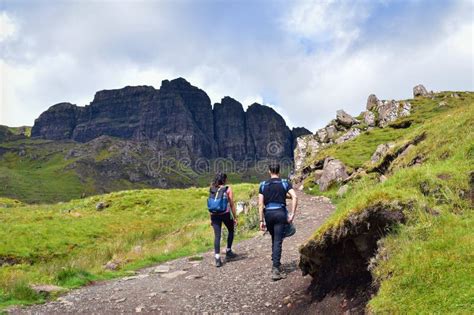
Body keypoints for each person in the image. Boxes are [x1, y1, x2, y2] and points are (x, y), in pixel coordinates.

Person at [259, 163, 298, 281]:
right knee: (278, 240)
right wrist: (292, 214)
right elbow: (295, 197)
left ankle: (275, 261)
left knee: (274, 238)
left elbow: (261, 204)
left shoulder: (263, 185)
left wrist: (261, 220)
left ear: (269, 171)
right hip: (280, 213)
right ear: (279, 171)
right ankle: (275, 269)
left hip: (268, 215)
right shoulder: (285, 183)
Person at [209, 172, 238, 267]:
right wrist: (235, 217)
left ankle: (217, 258)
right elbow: (232, 204)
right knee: (231, 230)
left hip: (214, 215)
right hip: (225, 214)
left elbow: (211, 204)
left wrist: (211, 218)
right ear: (224, 180)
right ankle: (228, 251)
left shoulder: (212, 188)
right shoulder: (227, 188)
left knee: (217, 236)